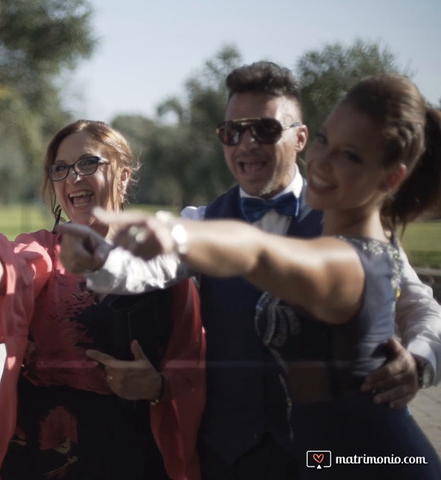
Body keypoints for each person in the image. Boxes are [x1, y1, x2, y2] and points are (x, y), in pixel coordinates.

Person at [59, 62, 441, 480]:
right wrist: (104, 260)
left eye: (265, 130)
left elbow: (256, 254)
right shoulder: (206, 217)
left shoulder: (362, 239)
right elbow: (148, 269)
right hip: (234, 452)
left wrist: (420, 360)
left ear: (299, 137)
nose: (246, 144)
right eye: (232, 132)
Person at [0, 120, 206, 480]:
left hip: (135, 450)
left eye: (88, 163)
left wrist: (159, 387)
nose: (73, 178)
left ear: (123, 175)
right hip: (43, 450)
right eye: (61, 168)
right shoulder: (46, 249)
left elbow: (193, 362)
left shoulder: (162, 259)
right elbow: (18, 265)